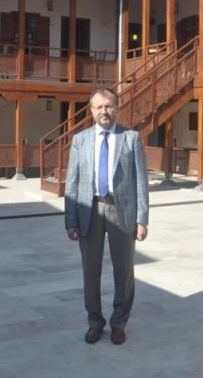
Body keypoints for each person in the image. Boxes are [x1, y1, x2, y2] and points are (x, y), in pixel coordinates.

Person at [64, 88, 149, 345]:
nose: (104, 111)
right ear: (91, 110)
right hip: (88, 210)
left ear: (117, 108)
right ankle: (95, 322)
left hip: (122, 211)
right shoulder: (80, 140)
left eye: (109, 106)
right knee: (90, 271)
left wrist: (142, 219)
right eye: (99, 107)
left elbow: (140, 181)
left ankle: (119, 323)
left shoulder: (131, 138)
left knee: (124, 271)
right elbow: (72, 182)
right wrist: (71, 220)